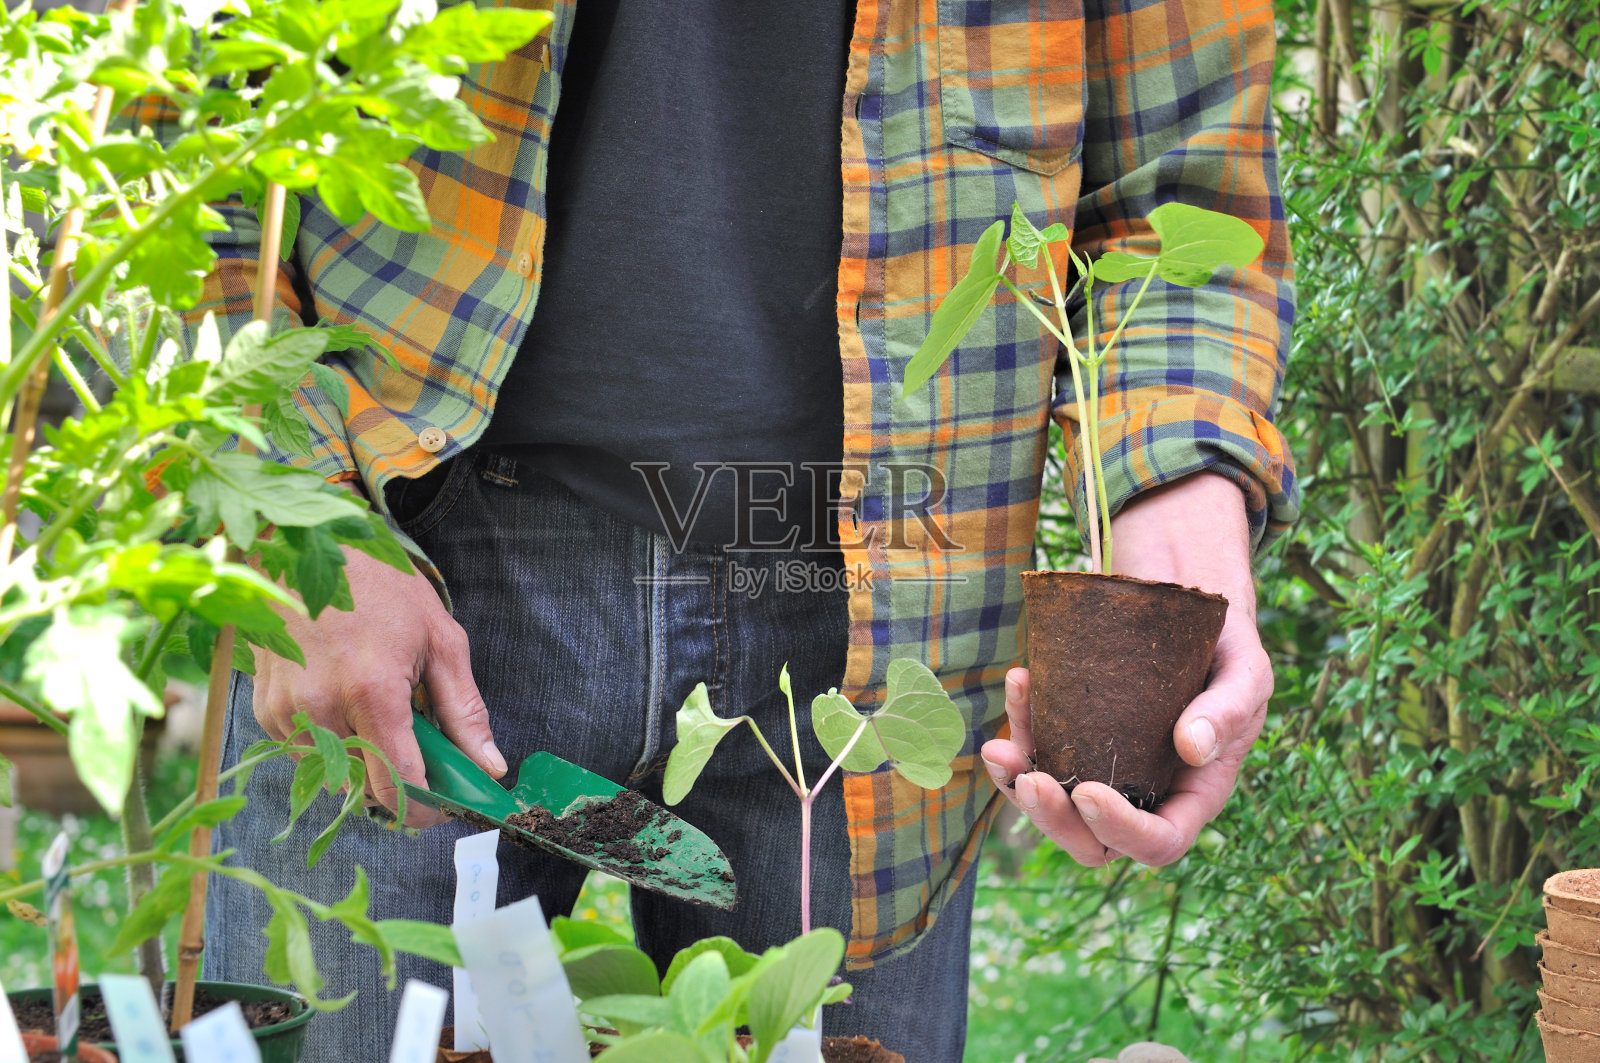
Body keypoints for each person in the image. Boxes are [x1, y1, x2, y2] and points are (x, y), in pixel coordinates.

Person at [173, 1, 1298, 1059]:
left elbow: (1185, 185)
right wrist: (297, 510)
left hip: (892, 601)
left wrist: (1183, 516)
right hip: (409, 563)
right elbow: (186, 117)